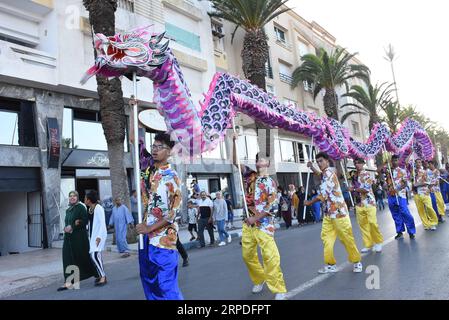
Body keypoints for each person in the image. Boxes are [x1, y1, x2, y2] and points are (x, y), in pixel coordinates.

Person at [233, 135, 287, 300]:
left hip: (264, 225)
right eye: (259, 159)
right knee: (247, 255)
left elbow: (272, 207)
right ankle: (259, 279)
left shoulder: (271, 183)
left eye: (264, 159)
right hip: (249, 223)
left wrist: (255, 218)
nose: (261, 161)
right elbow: (235, 162)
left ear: (268, 164)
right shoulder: (250, 176)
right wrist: (234, 143)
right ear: (257, 163)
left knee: (270, 256)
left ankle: (279, 289)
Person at [136, 133, 183, 300]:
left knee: (166, 286)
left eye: (159, 147)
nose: (155, 150)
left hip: (164, 241)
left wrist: (149, 227)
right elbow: (135, 141)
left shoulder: (172, 177)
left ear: (169, 151)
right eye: (153, 147)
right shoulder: (149, 174)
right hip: (146, 241)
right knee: (150, 284)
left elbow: (173, 212)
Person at [304, 152, 363, 274]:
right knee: (326, 238)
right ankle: (330, 264)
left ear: (327, 161)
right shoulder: (325, 173)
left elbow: (322, 195)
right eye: (317, 161)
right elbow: (320, 175)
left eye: (321, 161)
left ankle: (357, 261)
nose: (319, 163)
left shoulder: (330, 174)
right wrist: (311, 167)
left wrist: (309, 203)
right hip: (328, 214)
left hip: (339, 213)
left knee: (346, 238)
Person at [58, 191, 97, 291]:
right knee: (67, 259)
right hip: (68, 239)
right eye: (70, 196)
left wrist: (74, 226)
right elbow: (68, 222)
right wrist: (66, 228)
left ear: (77, 197)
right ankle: (68, 282)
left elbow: (84, 221)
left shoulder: (80, 207)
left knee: (82, 257)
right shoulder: (68, 210)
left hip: (79, 239)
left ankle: (98, 274)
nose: (72, 198)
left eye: (74, 196)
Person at [350, 158, 384, 253]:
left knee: (372, 223)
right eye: (355, 163)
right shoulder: (353, 175)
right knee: (363, 225)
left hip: (369, 202)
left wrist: (353, 189)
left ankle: (378, 242)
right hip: (359, 204)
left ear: (363, 164)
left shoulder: (367, 175)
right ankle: (368, 244)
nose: (357, 165)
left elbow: (366, 190)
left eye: (358, 163)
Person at [379, 155, 416, 240]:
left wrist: (397, 189)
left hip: (400, 195)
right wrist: (385, 163)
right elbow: (378, 171)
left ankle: (411, 232)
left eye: (396, 160)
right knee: (395, 214)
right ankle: (399, 232)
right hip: (391, 195)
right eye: (393, 160)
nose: (394, 162)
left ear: (398, 161)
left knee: (405, 213)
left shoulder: (402, 171)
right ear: (391, 161)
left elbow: (405, 183)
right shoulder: (388, 171)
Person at [85, 190, 108, 286]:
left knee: (94, 255)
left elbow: (102, 223)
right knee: (95, 256)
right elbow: (90, 223)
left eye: (85, 198)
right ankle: (100, 275)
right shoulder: (90, 209)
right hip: (92, 235)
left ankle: (103, 277)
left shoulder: (99, 208)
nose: (84, 200)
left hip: (99, 235)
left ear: (89, 200)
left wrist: (99, 237)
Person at [413, 159, 439, 231]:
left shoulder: (425, 172)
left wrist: (417, 185)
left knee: (429, 208)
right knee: (420, 210)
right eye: (416, 162)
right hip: (416, 194)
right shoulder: (413, 172)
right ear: (415, 164)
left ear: (421, 163)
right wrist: (413, 188)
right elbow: (411, 184)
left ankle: (433, 223)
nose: (418, 164)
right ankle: (426, 224)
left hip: (425, 192)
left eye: (419, 162)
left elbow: (428, 182)